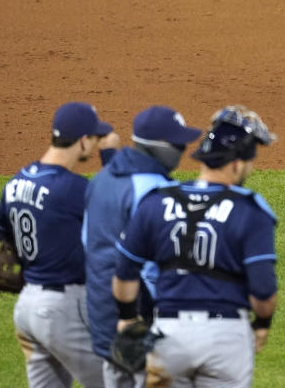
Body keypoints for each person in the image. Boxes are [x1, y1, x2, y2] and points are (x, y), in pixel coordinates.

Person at [111, 105, 278, 387]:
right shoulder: (250, 210)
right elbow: (263, 291)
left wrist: (127, 318)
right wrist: (262, 325)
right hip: (226, 339)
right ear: (237, 163)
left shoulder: (155, 201)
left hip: (167, 336)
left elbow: (124, 272)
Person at [0, 101, 115, 388]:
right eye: (95, 140)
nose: (95, 145)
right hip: (63, 310)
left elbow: (1, 231)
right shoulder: (73, 188)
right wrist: (110, 155)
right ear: (83, 141)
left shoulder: (16, 181)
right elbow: (119, 211)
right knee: (120, 382)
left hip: (27, 309)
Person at [83, 105, 202, 388]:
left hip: (102, 318)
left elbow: (88, 242)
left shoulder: (103, 179)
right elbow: (149, 268)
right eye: (177, 143)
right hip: (139, 322)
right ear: (159, 146)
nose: (183, 148)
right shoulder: (152, 191)